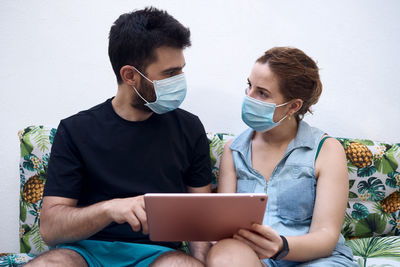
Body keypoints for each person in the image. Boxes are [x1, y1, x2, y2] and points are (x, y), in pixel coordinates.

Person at [26, 7, 211, 267]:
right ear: (130, 75)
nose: (180, 80)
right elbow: (51, 229)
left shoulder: (189, 128)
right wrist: (110, 209)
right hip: (84, 253)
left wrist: (200, 262)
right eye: (170, 73)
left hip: (159, 255)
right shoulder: (75, 131)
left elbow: (200, 217)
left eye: (181, 69)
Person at [206, 47, 358, 266]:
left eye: (262, 93)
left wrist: (281, 246)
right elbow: (224, 226)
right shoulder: (234, 150)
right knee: (224, 252)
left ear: (293, 106)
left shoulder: (326, 150)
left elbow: (326, 237)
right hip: (254, 259)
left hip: (316, 260)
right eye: (249, 86)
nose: (249, 97)